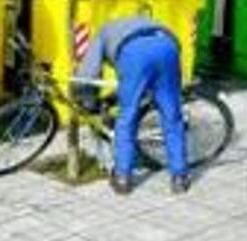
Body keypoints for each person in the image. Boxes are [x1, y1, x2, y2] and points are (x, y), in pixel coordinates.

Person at [74, 17, 189, 195]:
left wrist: (88, 103)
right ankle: (180, 178)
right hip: (167, 47)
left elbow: (88, 73)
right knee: (172, 116)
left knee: (127, 117)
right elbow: (176, 45)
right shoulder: (141, 22)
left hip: (134, 54)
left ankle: (122, 178)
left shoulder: (103, 32)